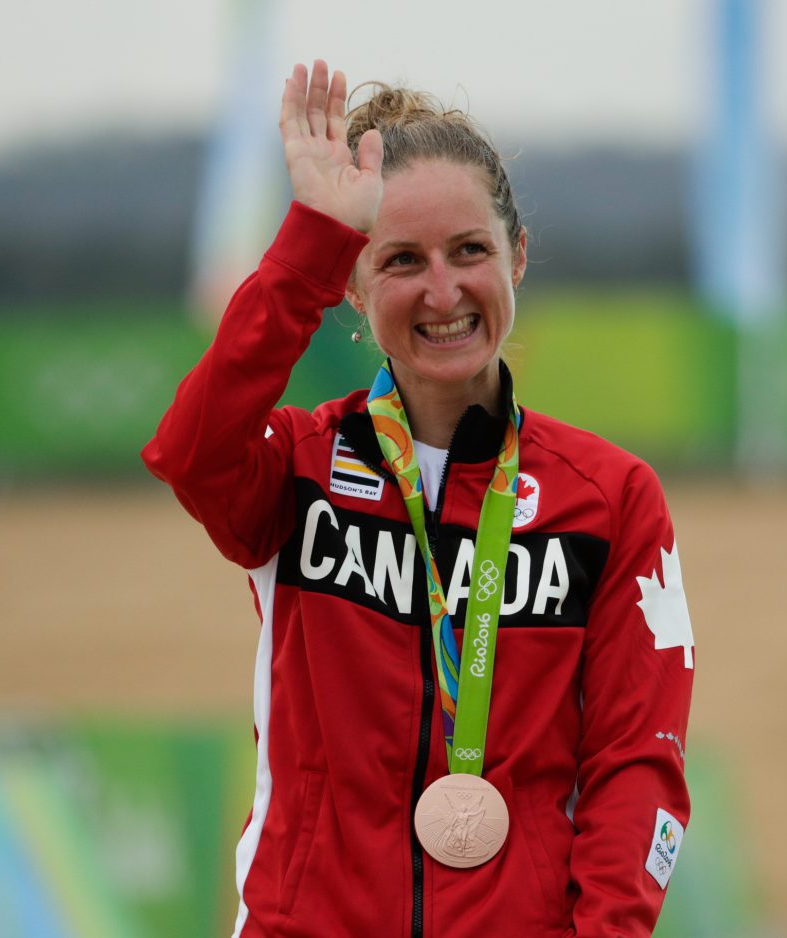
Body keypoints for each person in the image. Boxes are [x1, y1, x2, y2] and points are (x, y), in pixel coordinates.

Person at [144, 59, 695, 938]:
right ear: (353, 289)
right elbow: (190, 451)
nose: (443, 292)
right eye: (400, 260)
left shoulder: (611, 499)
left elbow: (636, 766)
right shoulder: (299, 465)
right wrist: (308, 247)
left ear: (516, 257)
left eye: (469, 250)